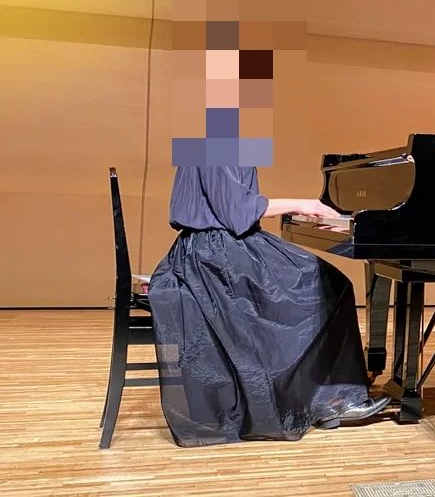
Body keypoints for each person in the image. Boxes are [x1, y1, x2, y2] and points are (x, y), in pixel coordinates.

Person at [148, 165, 389, 446]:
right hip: (217, 254)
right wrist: (306, 205)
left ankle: (321, 395)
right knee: (328, 287)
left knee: (319, 284)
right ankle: (331, 400)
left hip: (207, 250)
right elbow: (238, 211)